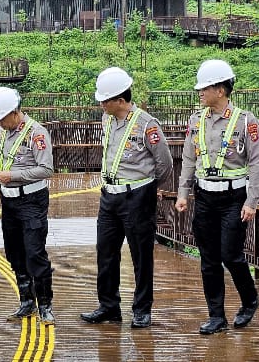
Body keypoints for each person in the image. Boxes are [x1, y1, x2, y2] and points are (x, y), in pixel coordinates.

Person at [174, 59, 259, 335]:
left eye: (205, 88)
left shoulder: (246, 121)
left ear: (221, 90)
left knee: (230, 255)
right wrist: (183, 193)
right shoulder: (195, 121)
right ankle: (216, 316)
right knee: (208, 258)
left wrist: (252, 201)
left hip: (234, 197)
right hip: (204, 198)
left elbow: (257, 163)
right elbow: (188, 159)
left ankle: (249, 300)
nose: (200, 93)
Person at [80, 67, 173, 329]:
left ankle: (142, 310)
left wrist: (150, 189)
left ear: (120, 100)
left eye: (105, 100)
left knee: (141, 256)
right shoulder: (106, 120)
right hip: (109, 196)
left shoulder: (146, 125)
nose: (101, 104)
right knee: (105, 252)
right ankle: (109, 306)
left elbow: (164, 163)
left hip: (137, 197)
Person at [0, 87, 56, 325]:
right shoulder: (5, 132)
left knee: (35, 253)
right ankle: (27, 301)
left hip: (31, 201)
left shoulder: (36, 133)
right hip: (10, 201)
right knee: (14, 252)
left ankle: (45, 305)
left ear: (15, 112)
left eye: (2, 118)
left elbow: (46, 169)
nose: (0, 123)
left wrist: (13, 176)